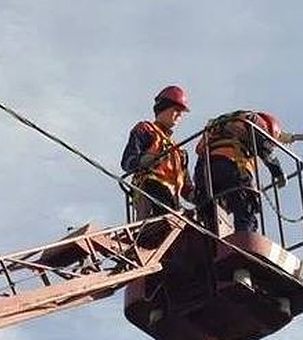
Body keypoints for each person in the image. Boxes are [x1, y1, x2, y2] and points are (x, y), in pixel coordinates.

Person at [194, 109, 291, 233]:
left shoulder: (222, 125)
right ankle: (245, 237)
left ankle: (211, 241)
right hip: (230, 166)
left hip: (203, 171)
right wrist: (277, 172)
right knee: (245, 205)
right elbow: (263, 145)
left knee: (211, 213)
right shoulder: (256, 121)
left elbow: (199, 149)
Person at [120, 85, 195, 218]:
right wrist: (143, 161)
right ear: (164, 108)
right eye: (176, 110)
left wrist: (200, 197)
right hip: (150, 191)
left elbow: (186, 187)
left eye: (182, 112)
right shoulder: (146, 129)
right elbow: (127, 162)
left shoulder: (179, 151)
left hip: (172, 200)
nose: (180, 115)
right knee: (165, 212)